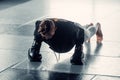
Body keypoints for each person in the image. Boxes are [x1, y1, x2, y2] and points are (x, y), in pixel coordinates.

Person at [28, 18, 103, 65]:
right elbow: (34, 51)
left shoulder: (71, 30)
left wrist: (78, 51)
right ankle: (87, 25)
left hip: (75, 28)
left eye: (50, 35)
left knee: (88, 33)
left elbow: (79, 32)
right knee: (34, 54)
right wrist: (35, 51)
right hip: (69, 30)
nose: (47, 38)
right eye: (45, 36)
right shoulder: (40, 29)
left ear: (55, 29)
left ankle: (97, 26)